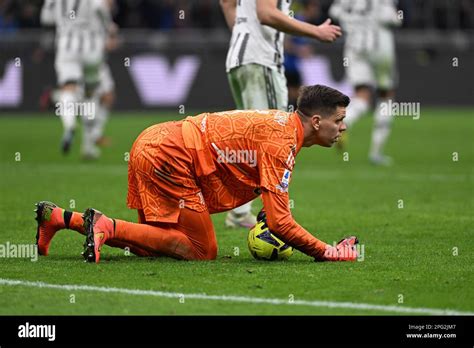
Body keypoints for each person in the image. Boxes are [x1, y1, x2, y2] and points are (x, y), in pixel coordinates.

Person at [35, 85, 358, 263]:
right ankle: (105, 224)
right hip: (171, 155)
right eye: (340, 120)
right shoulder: (282, 142)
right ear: (316, 121)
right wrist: (327, 251)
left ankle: (62, 218)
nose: (343, 128)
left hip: (155, 140)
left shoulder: (281, 126)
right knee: (202, 251)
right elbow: (279, 222)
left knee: (156, 247)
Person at [219, 0, 342, 228]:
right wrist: (316, 31)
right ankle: (272, 214)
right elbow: (266, 14)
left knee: (249, 141)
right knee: (277, 136)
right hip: (260, 61)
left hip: (240, 60)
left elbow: (227, 3)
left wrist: (243, 33)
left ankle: (241, 212)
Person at [329, 0, 402, 165]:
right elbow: (393, 18)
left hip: (353, 46)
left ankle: (344, 121)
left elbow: (334, 12)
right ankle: (376, 153)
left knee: (361, 96)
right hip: (380, 45)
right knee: (386, 95)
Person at [40, 0, 114, 159]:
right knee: (90, 95)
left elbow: (46, 18)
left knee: (69, 88)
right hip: (92, 49)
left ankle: (70, 125)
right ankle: (88, 146)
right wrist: (110, 28)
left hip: (66, 46)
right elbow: (100, 8)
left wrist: (66, 21)